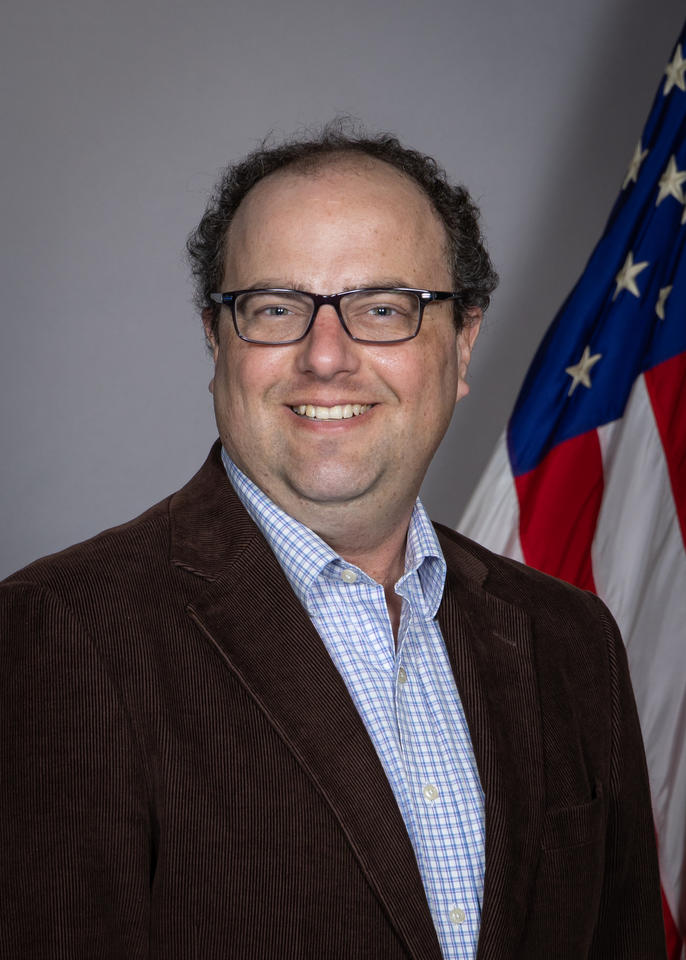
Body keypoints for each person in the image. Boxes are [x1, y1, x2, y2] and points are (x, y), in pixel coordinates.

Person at [0, 124, 666, 959]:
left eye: (383, 309)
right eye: (275, 308)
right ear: (217, 343)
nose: (325, 357)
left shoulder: (573, 640)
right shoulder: (63, 633)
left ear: (462, 346)